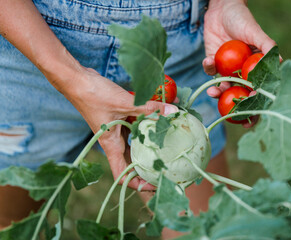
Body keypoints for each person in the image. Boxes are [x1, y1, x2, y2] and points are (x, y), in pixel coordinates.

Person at [0, 0, 276, 238]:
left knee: (209, 231)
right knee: (10, 223)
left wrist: (226, 3)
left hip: (174, 48)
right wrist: (70, 79)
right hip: (30, 52)